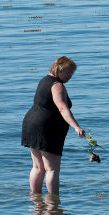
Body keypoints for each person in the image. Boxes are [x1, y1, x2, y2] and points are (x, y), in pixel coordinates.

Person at [22, 56, 85, 194]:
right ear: (59, 69)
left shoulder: (44, 80)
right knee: (52, 169)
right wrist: (76, 127)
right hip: (46, 128)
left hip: (31, 123)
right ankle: (53, 205)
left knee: (38, 167)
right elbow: (62, 108)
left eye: (72, 73)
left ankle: (36, 201)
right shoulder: (57, 85)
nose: (70, 76)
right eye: (68, 72)